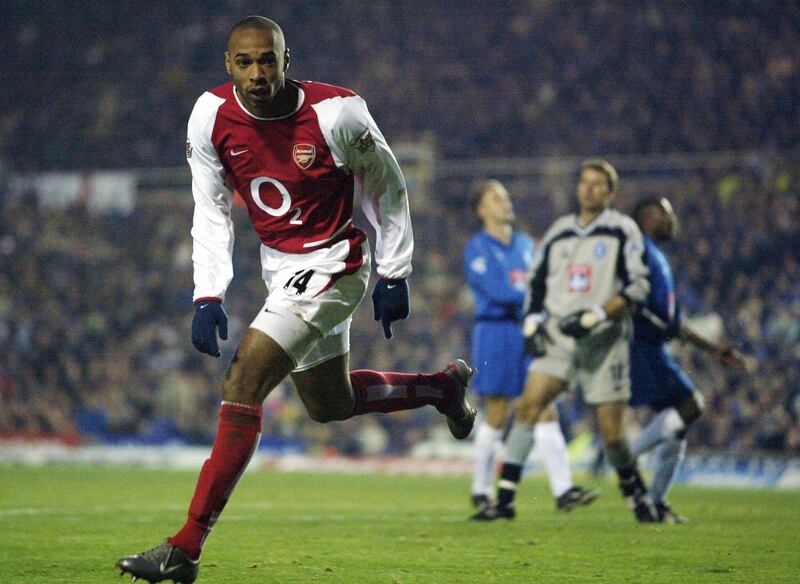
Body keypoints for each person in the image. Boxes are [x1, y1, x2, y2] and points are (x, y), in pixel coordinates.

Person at [116, 16, 476, 583]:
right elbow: (210, 209)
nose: (258, 73)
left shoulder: (339, 112)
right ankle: (442, 387)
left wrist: (394, 270)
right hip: (279, 268)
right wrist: (208, 292)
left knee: (243, 382)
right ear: (227, 66)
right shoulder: (210, 116)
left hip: (334, 261)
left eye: (268, 60)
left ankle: (185, 547)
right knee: (328, 404)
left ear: (288, 60)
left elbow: (387, 183)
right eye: (245, 62)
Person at [473, 159, 657, 522]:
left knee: (613, 436)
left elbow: (639, 285)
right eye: (585, 182)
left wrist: (602, 313)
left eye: (598, 184)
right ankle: (504, 500)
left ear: (610, 192)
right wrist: (532, 320)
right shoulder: (559, 232)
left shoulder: (623, 231)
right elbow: (537, 283)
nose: (589, 188)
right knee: (528, 407)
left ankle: (636, 494)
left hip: (605, 341)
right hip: (559, 339)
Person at [464, 179, 598, 516]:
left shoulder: (525, 244)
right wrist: (533, 296)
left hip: (529, 333)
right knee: (497, 414)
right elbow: (498, 291)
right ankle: (481, 491)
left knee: (544, 406)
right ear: (482, 210)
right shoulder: (477, 248)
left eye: (506, 196)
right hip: (495, 334)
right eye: (496, 197)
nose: (505, 202)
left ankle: (564, 490)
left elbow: (542, 283)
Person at [628, 197, 746, 523]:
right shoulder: (637, 251)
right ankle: (624, 458)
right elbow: (627, 300)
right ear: (651, 217)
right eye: (668, 212)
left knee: (676, 425)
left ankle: (656, 503)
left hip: (654, 347)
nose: (674, 219)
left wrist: (715, 350)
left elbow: (675, 322)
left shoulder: (657, 258)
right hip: (640, 347)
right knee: (691, 404)